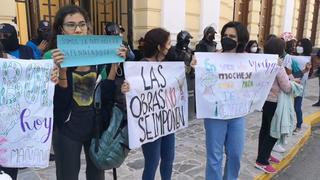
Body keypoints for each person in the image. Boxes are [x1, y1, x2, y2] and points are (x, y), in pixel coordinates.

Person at [47, 5, 126, 180]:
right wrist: (59, 71)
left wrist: (114, 65)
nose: (77, 30)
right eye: (71, 25)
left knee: (97, 175)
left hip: (94, 127)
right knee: (67, 175)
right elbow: (55, 102)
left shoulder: (97, 55)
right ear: (61, 28)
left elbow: (105, 89)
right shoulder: (50, 57)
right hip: (67, 128)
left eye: (82, 24)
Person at [121, 28, 174, 180]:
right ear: (159, 47)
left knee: (168, 159)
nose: (170, 47)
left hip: (167, 120)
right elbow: (132, 92)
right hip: (150, 123)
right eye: (168, 43)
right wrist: (127, 89)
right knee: (152, 161)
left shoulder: (167, 65)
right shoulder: (140, 67)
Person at [201, 21, 249, 180]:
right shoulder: (212, 58)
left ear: (240, 40)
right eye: (225, 36)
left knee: (235, 155)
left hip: (237, 114)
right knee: (214, 157)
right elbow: (204, 83)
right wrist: (197, 67)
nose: (227, 38)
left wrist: (274, 66)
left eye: (232, 36)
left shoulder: (249, 61)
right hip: (215, 114)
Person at [255, 37, 293, 174]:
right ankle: (262, 161)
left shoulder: (262, 63)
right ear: (280, 50)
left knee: (265, 129)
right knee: (274, 131)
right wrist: (294, 83)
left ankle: (264, 154)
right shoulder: (278, 65)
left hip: (265, 101)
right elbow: (286, 87)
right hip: (275, 102)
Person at [291, 38, 312, 133]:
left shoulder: (305, 59)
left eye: (300, 45)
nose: (298, 47)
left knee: (297, 107)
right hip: (292, 86)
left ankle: (299, 125)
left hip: (299, 88)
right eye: (297, 45)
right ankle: (295, 125)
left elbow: (299, 74)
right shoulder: (303, 58)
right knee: (293, 107)